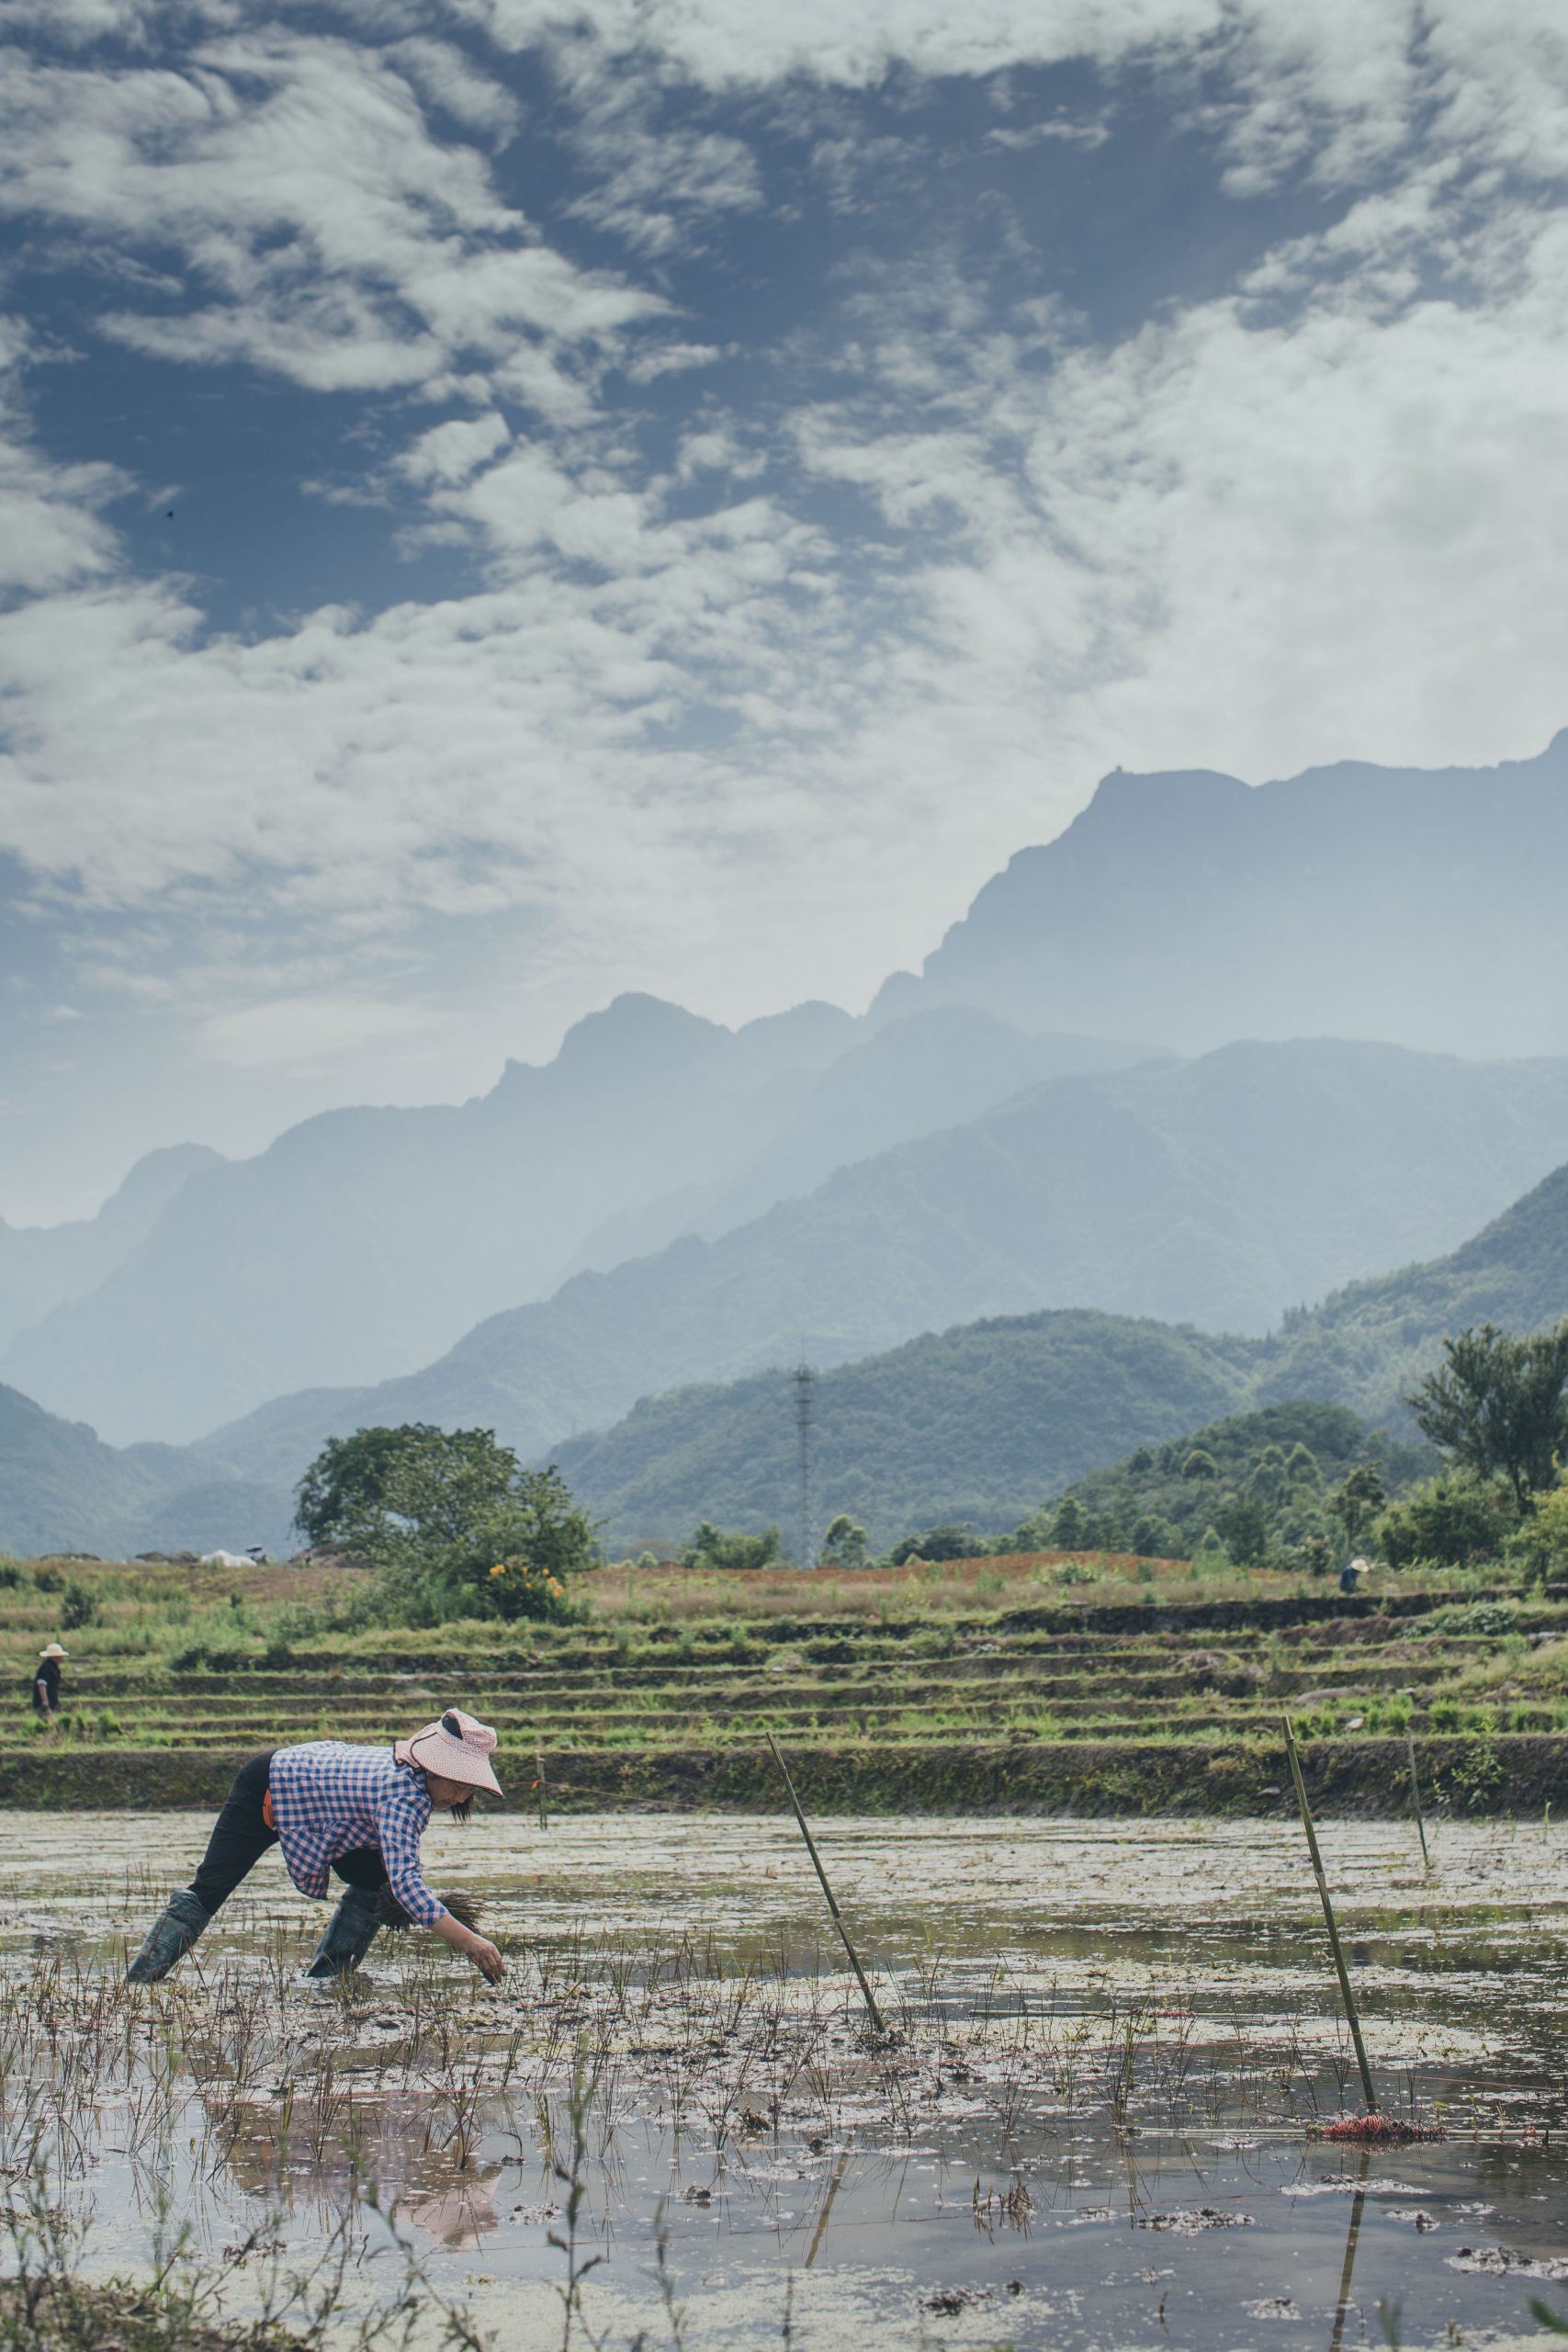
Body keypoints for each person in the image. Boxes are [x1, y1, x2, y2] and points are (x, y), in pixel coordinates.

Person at [127, 1708, 506, 1985]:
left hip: (326, 1814)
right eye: (455, 1784)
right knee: (210, 1888)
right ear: (430, 1767)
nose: (459, 1797)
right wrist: (470, 1942)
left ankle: (327, 1979)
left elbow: (398, 1881)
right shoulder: (401, 1797)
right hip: (270, 1786)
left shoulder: (418, 1789)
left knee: (376, 1886)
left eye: (468, 1789)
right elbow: (408, 1886)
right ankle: (140, 1982)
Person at [32, 1642, 66, 1723]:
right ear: (56, 1657)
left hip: (50, 1701)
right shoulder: (46, 1667)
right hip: (44, 1704)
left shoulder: (54, 1668)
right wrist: (45, 1701)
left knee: (50, 1723)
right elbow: (41, 1684)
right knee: (46, 1723)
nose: (62, 1658)